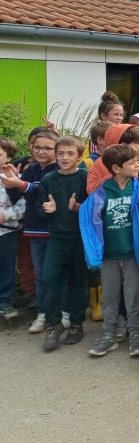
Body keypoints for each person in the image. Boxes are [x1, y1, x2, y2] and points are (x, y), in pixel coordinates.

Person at [79, 144, 139, 358]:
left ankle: (136, 334)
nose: (138, 165)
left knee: (134, 297)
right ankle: (109, 334)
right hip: (109, 257)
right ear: (116, 168)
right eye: (132, 162)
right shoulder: (102, 192)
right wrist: (94, 254)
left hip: (134, 255)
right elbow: (89, 223)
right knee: (111, 296)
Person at [1, 129, 59, 334]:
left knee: (60, 273)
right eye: (37, 147)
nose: (41, 151)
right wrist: (14, 181)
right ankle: (43, 313)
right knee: (40, 275)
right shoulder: (31, 169)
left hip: (57, 232)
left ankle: (65, 312)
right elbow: (18, 194)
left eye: (47, 148)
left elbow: (41, 188)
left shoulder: (58, 169)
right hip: (34, 231)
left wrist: (20, 183)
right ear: (30, 148)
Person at [37, 136, 89, 351]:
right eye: (61, 154)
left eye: (70, 153)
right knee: (50, 279)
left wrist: (79, 208)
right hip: (57, 239)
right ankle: (54, 324)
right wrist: (46, 210)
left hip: (79, 240)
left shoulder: (85, 177)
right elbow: (40, 210)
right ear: (55, 155)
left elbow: (95, 208)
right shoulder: (48, 179)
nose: (65, 157)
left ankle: (76, 324)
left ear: (79, 156)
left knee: (79, 282)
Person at [0, 137, 23, 321]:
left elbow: (24, 204)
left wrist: (7, 215)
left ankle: (4, 303)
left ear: (8, 157)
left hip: (7, 231)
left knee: (6, 267)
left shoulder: (14, 178)